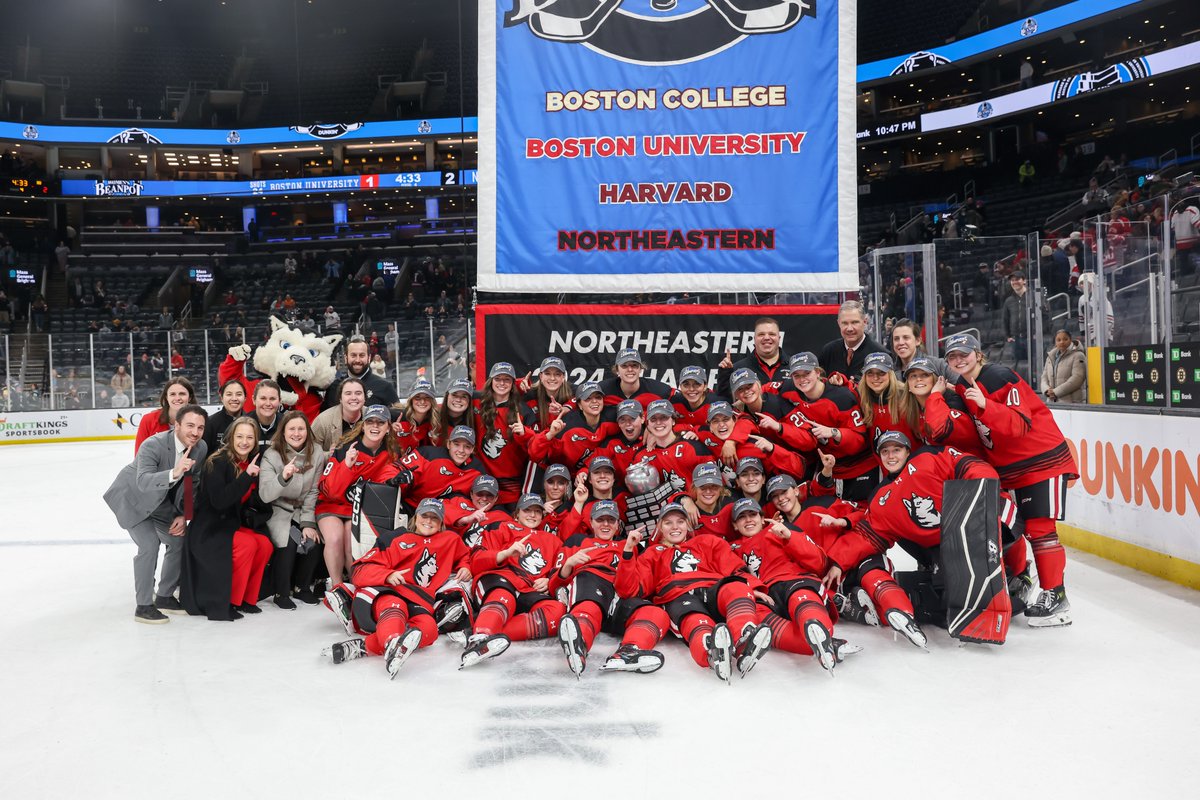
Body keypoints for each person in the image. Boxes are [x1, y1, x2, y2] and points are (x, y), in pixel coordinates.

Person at [821, 432, 1015, 645]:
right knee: (945, 601)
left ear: (907, 451)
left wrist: (981, 491)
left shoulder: (928, 457)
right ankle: (928, 587)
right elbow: (868, 536)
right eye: (885, 451)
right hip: (943, 546)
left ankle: (1019, 576)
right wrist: (838, 562)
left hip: (978, 521)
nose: (891, 456)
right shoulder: (880, 497)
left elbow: (967, 464)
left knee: (1002, 532)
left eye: (896, 450)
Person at [944, 333, 1079, 626]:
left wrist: (984, 404)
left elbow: (1019, 424)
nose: (958, 360)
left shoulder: (999, 377)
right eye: (952, 357)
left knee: (1040, 528)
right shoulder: (962, 386)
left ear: (978, 354)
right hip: (1010, 469)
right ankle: (1021, 579)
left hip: (1042, 460)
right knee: (1009, 526)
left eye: (964, 354)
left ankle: (1056, 596)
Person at [614, 502, 773, 683]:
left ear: (688, 525)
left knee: (736, 586)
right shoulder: (653, 553)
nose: (675, 527)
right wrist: (628, 553)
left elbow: (735, 568)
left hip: (712, 590)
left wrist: (752, 587)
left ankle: (744, 639)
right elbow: (629, 589)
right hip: (677, 596)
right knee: (695, 620)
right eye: (668, 523)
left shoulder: (707, 542)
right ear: (659, 527)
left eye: (680, 521)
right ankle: (710, 654)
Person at [323, 498, 473, 678]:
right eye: (425, 515)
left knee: (430, 629)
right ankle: (391, 642)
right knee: (396, 607)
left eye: (435, 518)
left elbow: (466, 556)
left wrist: (466, 566)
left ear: (441, 522)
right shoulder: (395, 537)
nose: (429, 521)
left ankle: (363, 647)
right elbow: (360, 570)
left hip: (420, 599)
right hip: (389, 592)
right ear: (416, 517)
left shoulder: (450, 540)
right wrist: (387, 575)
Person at [103, 404, 208, 624]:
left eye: (200, 427)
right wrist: (175, 471)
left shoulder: (200, 448)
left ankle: (165, 596)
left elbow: (192, 483)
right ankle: (143, 606)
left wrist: (183, 515)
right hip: (134, 500)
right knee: (149, 545)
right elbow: (142, 481)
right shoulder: (153, 445)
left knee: (179, 539)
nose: (195, 432)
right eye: (190, 425)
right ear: (177, 425)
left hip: (161, 504)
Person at [555, 500, 671, 675]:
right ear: (591, 522)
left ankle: (628, 652)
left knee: (657, 614)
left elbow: (630, 586)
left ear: (618, 525)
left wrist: (628, 549)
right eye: (600, 520)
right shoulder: (577, 541)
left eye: (611, 520)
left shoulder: (629, 545)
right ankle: (579, 644)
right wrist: (568, 564)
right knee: (590, 602)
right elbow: (553, 585)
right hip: (591, 583)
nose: (606, 524)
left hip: (617, 593)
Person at [727, 498, 843, 671]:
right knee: (756, 614)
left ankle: (817, 627)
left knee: (800, 597)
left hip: (794, 580)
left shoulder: (779, 530)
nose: (749, 519)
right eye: (742, 517)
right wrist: (752, 587)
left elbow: (819, 562)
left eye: (752, 514)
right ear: (735, 525)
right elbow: (733, 571)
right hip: (767, 592)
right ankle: (821, 643)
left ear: (762, 517)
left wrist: (790, 536)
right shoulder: (732, 547)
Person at [181, 416, 274, 620]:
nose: (244, 441)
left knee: (265, 544)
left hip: (229, 523)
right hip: (208, 527)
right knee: (248, 545)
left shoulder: (249, 461)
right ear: (231, 437)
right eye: (239, 436)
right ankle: (230, 600)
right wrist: (246, 477)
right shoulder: (217, 461)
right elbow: (220, 501)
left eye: (250, 437)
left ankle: (247, 599)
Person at [460, 493, 568, 668]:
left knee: (557, 610)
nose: (532, 515)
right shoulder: (500, 527)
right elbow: (476, 559)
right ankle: (480, 637)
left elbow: (559, 569)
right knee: (504, 595)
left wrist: (550, 581)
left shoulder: (554, 541)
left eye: (537, 511)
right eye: (527, 510)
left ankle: (485, 633)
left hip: (528, 589)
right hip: (498, 580)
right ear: (517, 513)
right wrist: (506, 553)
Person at [316, 405, 400, 585]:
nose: (375, 426)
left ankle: (357, 585)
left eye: (380, 422)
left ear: (388, 428)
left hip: (358, 509)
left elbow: (386, 480)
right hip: (331, 505)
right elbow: (329, 490)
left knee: (352, 540)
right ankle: (337, 586)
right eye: (370, 421)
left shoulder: (391, 453)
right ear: (363, 425)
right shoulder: (346, 449)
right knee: (335, 538)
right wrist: (346, 465)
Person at [258, 411, 328, 608]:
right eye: (292, 429)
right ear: (283, 432)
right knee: (287, 543)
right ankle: (281, 592)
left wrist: (308, 523)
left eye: (301, 429)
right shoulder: (272, 455)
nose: (296, 433)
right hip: (279, 510)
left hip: (303, 509)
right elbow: (265, 494)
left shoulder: (315, 452)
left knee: (313, 541)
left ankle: (302, 587)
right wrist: (283, 477)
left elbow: (313, 490)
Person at [476, 362, 536, 505]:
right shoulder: (477, 404)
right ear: (491, 381)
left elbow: (536, 449)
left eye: (507, 379)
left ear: (512, 383)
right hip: (483, 484)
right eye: (498, 379)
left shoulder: (523, 411)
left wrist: (525, 434)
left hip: (512, 487)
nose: (502, 383)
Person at [715, 316, 790, 397]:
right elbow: (726, 401)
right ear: (754, 339)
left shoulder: (794, 366)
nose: (767, 338)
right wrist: (725, 375)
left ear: (779, 338)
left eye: (772, 334)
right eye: (761, 334)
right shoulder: (738, 369)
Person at [321, 335, 398, 410]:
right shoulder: (334, 387)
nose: (357, 360)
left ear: (369, 358)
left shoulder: (384, 387)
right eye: (353, 355)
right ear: (345, 358)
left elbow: (398, 417)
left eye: (362, 355)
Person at [817, 300, 888, 380]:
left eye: (854, 322)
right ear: (838, 323)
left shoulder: (880, 354)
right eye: (845, 323)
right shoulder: (828, 351)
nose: (849, 328)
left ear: (865, 322)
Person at [134, 377, 196, 452]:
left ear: (190, 397)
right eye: (172, 394)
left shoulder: (199, 421)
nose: (177, 398)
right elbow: (139, 455)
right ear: (166, 397)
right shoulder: (148, 420)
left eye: (182, 394)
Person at [599, 348, 677, 408]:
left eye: (634, 365)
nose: (630, 369)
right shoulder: (602, 390)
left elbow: (681, 401)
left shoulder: (658, 390)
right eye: (624, 366)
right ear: (617, 370)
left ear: (640, 369)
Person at [311, 377, 365, 451]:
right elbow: (310, 453)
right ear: (340, 399)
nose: (353, 397)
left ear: (364, 397)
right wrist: (330, 455)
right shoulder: (323, 421)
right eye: (348, 393)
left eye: (358, 393)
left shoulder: (373, 417)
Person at [1040, 330, 1086, 404]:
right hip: (1052, 402)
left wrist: (1055, 392)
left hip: (1072, 403)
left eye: (1065, 339)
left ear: (1070, 340)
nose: (1062, 342)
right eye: (1058, 340)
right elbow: (1044, 377)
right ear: (1055, 342)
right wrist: (1046, 390)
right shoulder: (1050, 357)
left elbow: (1077, 378)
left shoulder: (1078, 355)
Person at [203, 379, 246, 456]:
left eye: (239, 394)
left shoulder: (252, 422)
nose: (234, 398)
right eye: (229, 394)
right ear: (221, 398)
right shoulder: (210, 423)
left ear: (245, 398)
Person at [392, 380, 435, 452]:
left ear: (432, 401)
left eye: (427, 397)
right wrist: (389, 428)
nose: (422, 402)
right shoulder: (397, 415)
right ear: (411, 400)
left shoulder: (436, 419)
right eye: (417, 397)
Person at [1002, 270, 1030, 368]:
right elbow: (1005, 319)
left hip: (1031, 338)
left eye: (1017, 279)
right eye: (1012, 280)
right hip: (1016, 340)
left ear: (1024, 281)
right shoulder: (1008, 301)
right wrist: (1008, 336)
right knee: (1020, 367)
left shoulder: (1033, 296)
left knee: (1034, 366)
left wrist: (1037, 333)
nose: (1014, 282)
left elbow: (1044, 315)